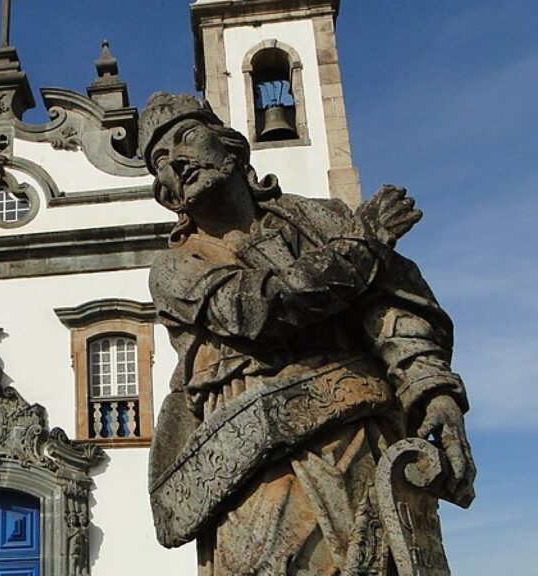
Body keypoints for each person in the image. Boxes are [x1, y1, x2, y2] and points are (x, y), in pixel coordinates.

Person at [139, 92, 474, 574]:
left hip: (366, 441)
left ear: (231, 148)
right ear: (168, 194)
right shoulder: (175, 268)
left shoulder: (325, 220)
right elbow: (255, 308)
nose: (178, 161)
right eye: (160, 161)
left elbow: (392, 308)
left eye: (187, 137)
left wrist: (434, 392)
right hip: (258, 462)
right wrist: (364, 245)